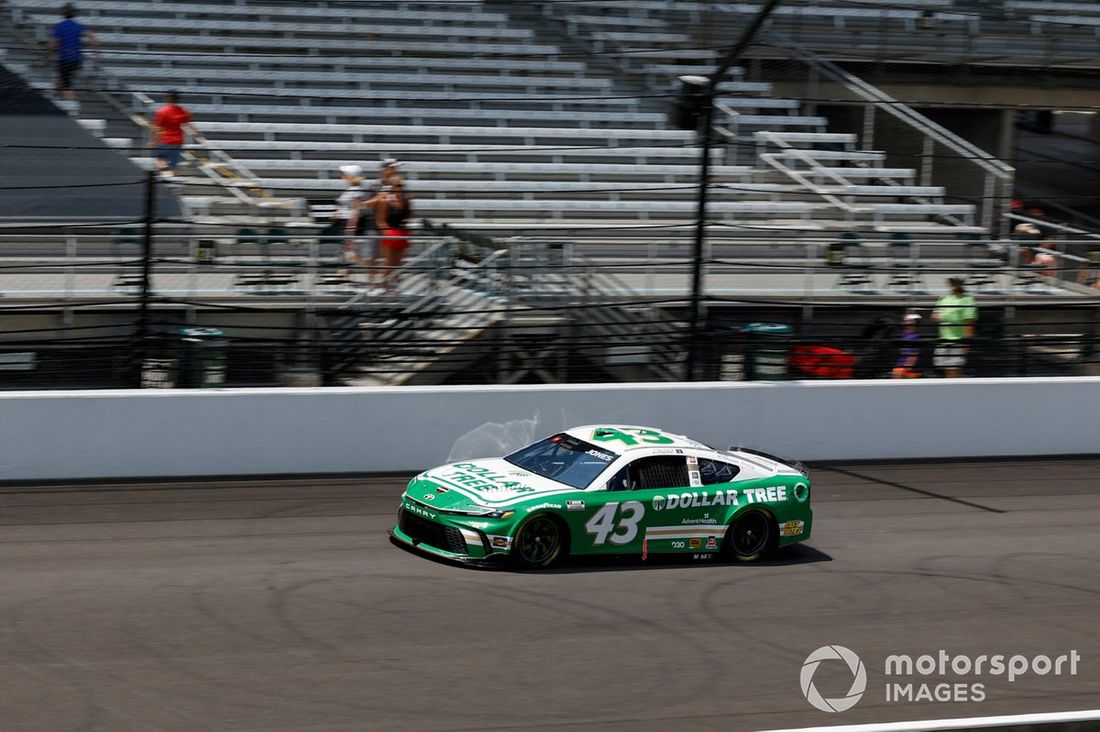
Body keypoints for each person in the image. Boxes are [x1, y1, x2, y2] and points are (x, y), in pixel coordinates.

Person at [48, 4, 97, 103]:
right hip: (76, 59)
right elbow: (91, 36)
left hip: (65, 58)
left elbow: (53, 44)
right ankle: (55, 98)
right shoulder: (78, 26)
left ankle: (70, 102)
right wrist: (95, 50)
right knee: (62, 78)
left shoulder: (60, 26)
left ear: (62, 13)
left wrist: (48, 55)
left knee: (66, 83)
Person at [932, 277, 977, 378]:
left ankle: (961, 389)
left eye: (956, 283)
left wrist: (967, 341)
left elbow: (969, 321)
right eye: (952, 283)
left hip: (958, 340)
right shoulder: (943, 298)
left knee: (954, 368)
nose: (954, 286)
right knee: (947, 369)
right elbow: (935, 315)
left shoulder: (967, 299)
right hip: (944, 340)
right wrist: (941, 317)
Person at [376, 175, 413, 292]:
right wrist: (387, 231)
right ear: (391, 187)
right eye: (397, 185)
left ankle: (396, 287)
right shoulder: (385, 200)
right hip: (391, 232)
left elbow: (410, 216)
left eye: (401, 185)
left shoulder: (405, 200)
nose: (400, 188)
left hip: (402, 231)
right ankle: (385, 285)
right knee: (388, 262)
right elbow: (380, 221)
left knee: (398, 263)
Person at [150, 91, 193, 176]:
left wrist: (153, 142)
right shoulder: (184, 111)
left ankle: (165, 177)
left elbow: (156, 129)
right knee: (173, 166)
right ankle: (169, 180)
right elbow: (188, 127)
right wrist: (197, 135)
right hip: (178, 142)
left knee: (160, 160)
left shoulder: (162, 111)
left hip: (165, 141)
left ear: (167, 98)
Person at [892, 313, 923, 379]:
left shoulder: (915, 337)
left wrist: (908, 367)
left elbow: (914, 353)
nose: (905, 321)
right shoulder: (905, 334)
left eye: (908, 320)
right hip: (901, 365)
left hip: (908, 368)